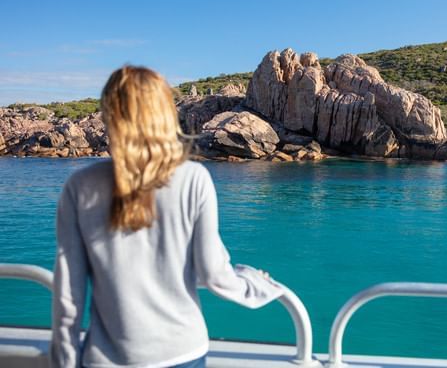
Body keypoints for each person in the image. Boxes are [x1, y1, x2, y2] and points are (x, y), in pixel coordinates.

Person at [49, 66, 283, 368]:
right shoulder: (194, 179)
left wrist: (64, 359)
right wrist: (255, 286)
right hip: (183, 352)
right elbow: (212, 274)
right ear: (165, 114)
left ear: (110, 115)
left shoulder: (79, 186)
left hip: (108, 359)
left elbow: (70, 292)